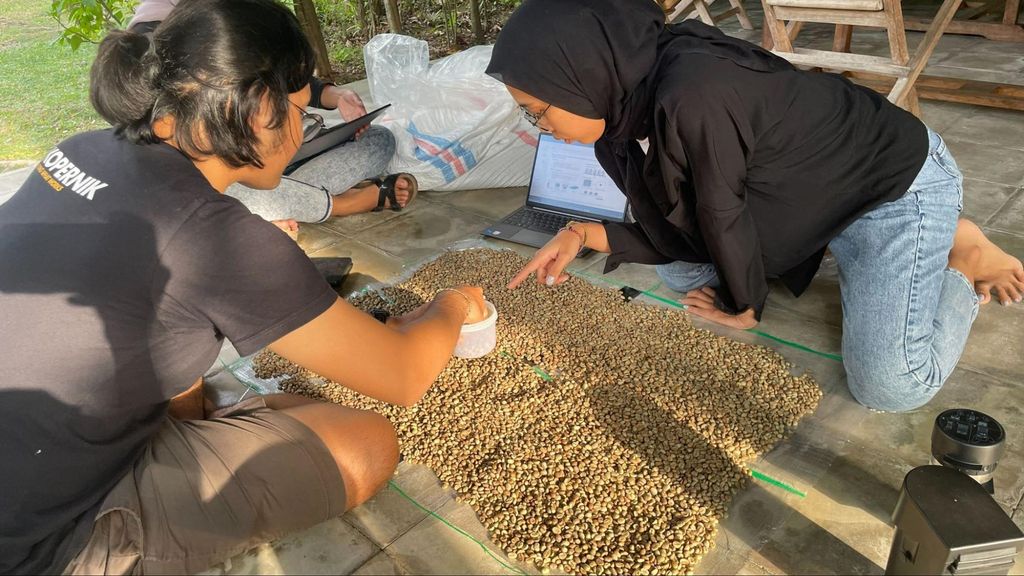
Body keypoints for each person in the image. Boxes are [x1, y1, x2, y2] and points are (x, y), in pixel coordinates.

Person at [0, 1, 486, 573]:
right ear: (260, 108)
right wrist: (453, 305)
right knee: (367, 444)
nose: (304, 128)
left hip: (33, 450)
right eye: (302, 110)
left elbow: (148, 321)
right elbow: (402, 376)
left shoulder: (78, 150)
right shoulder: (220, 238)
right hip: (43, 540)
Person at [489, 0, 1024, 412]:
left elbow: (720, 212)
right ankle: (854, 243)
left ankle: (960, 252)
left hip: (891, 189)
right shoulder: (625, 98)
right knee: (683, 273)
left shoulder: (693, 91)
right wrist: (581, 233)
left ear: (585, 72)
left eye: (538, 111)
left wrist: (746, 303)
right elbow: (678, 213)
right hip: (817, 190)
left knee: (890, 388)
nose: (544, 128)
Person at [129, 0, 418, 227]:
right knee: (225, 197)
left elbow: (283, 78)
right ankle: (337, 203)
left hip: (256, 149)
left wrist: (335, 95)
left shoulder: (233, 16)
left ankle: (282, 198)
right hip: (220, 165)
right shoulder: (158, 41)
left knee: (380, 139)